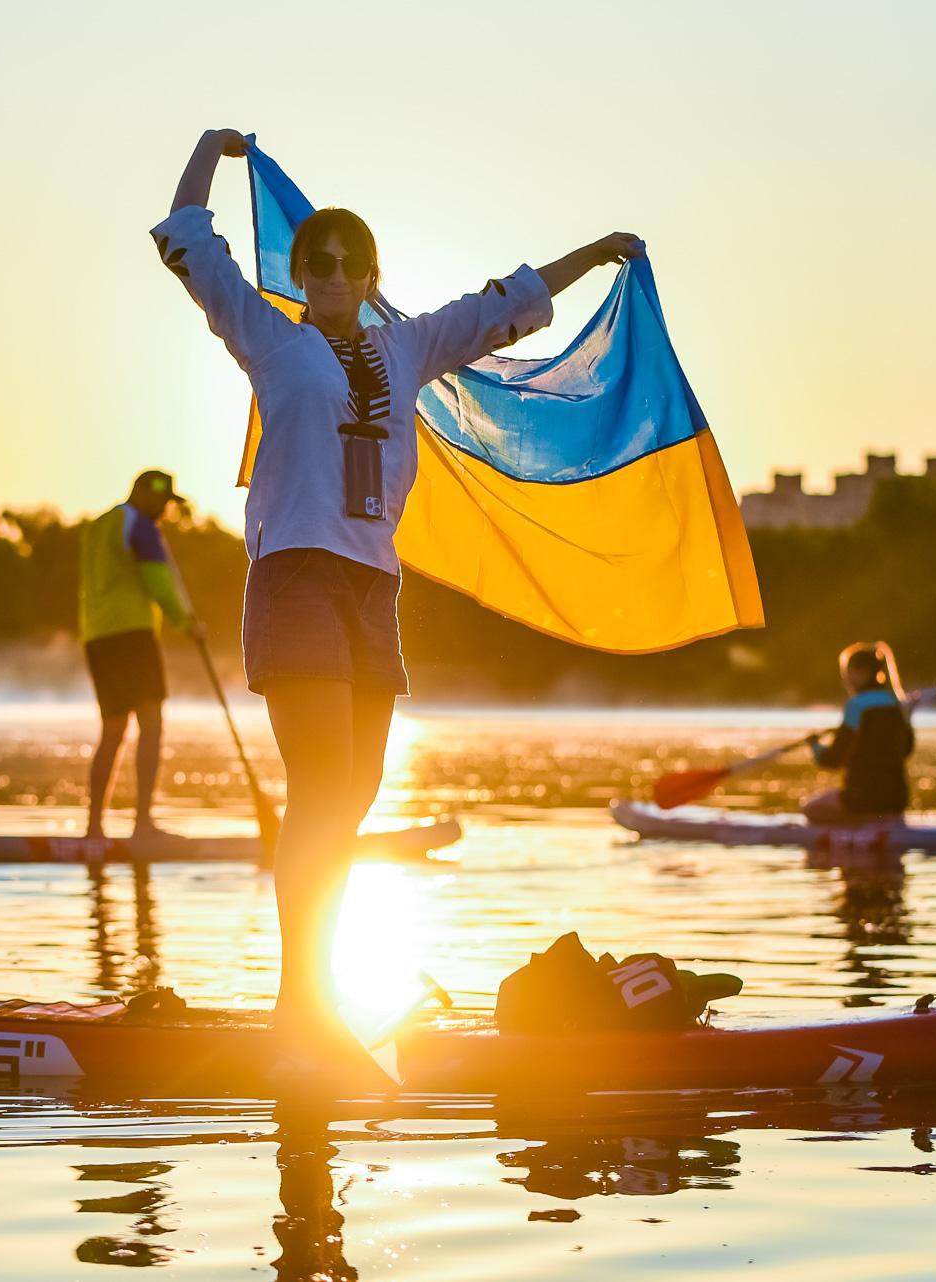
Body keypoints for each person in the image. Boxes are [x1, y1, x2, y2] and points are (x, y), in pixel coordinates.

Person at [154, 127, 644, 1063]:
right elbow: (187, 239)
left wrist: (602, 252)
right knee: (321, 793)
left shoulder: (409, 347)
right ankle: (303, 1003)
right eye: (318, 263)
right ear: (301, 274)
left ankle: (313, 993)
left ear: (369, 273)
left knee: (357, 795)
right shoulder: (267, 336)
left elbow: (510, 306)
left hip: (371, 588)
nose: (332, 273)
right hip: (295, 573)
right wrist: (210, 153)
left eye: (348, 263)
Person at [79, 469, 199, 841]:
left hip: (97, 637)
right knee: (151, 724)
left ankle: (94, 828)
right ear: (145, 493)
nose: (166, 509)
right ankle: (143, 824)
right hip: (132, 636)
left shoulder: (99, 526)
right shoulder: (142, 527)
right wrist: (186, 623)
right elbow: (159, 583)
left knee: (113, 730)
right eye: (163, 501)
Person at [802, 641, 915, 823]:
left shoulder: (857, 705)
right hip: (897, 800)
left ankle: (858, 832)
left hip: (861, 798)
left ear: (862, 672)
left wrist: (815, 747)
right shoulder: (897, 704)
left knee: (810, 809)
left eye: (848, 674)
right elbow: (907, 750)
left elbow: (834, 759)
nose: (845, 680)